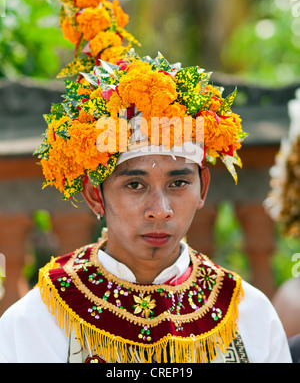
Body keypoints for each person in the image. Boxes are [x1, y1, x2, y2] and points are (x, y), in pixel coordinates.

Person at [0, 52, 292, 363]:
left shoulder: (250, 315)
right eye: (135, 185)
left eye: (178, 184)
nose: (160, 209)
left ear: (203, 188)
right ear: (95, 196)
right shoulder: (37, 322)